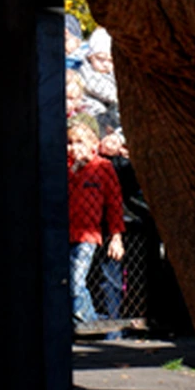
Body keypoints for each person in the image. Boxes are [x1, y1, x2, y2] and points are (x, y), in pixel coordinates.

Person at [66, 114, 125, 332]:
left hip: (87, 236)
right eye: (70, 142)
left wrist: (116, 237)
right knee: (66, 283)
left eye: (80, 142)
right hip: (65, 232)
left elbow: (114, 204)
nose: (73, 148)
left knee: (75, 282)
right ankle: (89, 323)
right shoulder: (65, 167)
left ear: (94, 143)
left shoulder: (103, 167)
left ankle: (89, 324)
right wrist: (74, 170)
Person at [78, 28, 120, 135]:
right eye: (101, 59)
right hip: (91, 115)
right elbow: (113, 95)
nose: (106, 64)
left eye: (111, 60)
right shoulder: (85, 73)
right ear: (90, 57)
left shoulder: (116, 76)